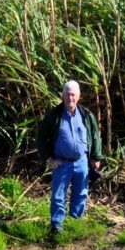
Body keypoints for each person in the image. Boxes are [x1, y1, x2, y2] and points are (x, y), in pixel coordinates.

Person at [35, 80, 103, 240]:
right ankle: (57, 227)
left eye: (73, 94)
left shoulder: (86, 114)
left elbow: (94, 136)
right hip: (61, 162)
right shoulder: (54, 115)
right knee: (58, 195)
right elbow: (40, 137)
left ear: (78, 96)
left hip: (82, 162)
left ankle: (74, 223)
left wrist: (96, 157)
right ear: (62, 96)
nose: (70, 98)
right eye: (67, 94)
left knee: (81, 194)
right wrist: (49, 159)